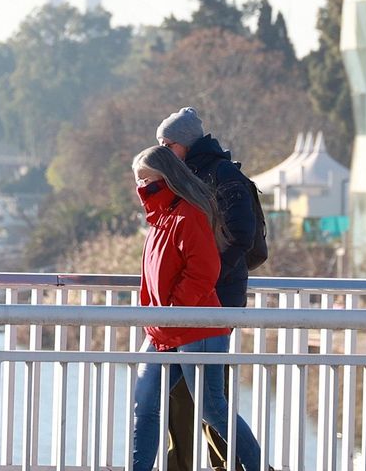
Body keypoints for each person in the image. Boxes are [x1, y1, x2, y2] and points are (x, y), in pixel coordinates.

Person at [156, 107, 264, 471]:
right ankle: (196, 463)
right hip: (198, 298)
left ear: (185, 143)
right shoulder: (191, 175)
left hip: (213, 298)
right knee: (190, 393)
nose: (163, 150)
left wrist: (203, 278)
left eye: (167, 144)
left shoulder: (222, 175)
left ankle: (228, 464)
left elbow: (241, 236)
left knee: (206, 395)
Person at [131, 145, 233, 471]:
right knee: (145, 405)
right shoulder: (158, 219)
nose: (142, 187)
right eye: (138, 180)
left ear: (166, 176)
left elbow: (204, 270)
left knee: (212, 410)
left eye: (147, 179)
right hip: (163, 329)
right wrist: (157, 315)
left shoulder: (187, 214)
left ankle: (256, 463)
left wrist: (175, 309)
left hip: (191, 327)